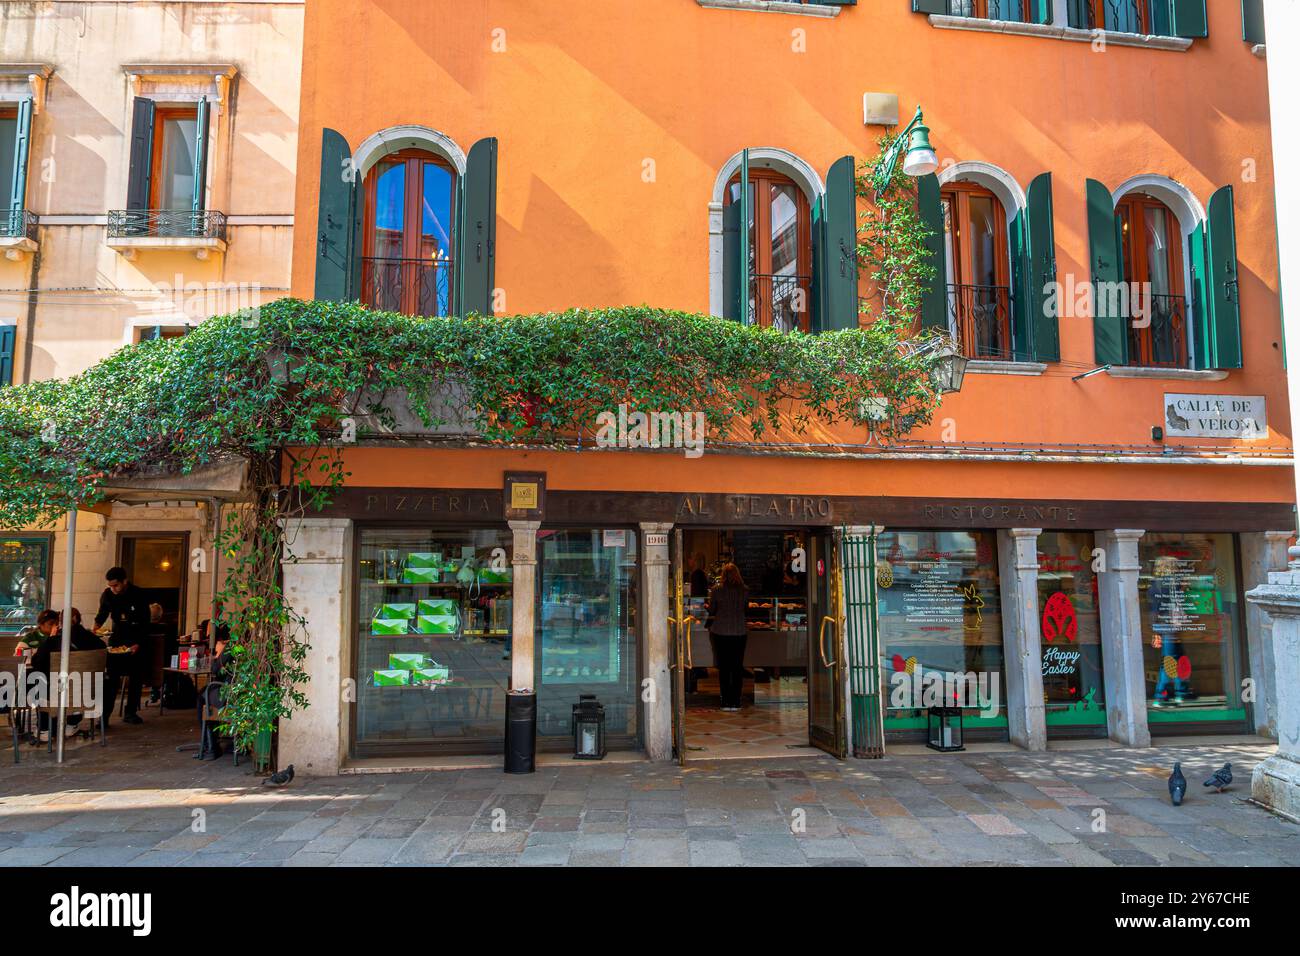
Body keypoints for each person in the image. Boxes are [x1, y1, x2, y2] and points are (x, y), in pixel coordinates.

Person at [26, 609, 105, 740]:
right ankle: (71, 724)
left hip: (54, 693)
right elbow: (104, 652)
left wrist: (50, 638)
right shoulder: (95, 640)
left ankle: (45, 728)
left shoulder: (54, 640)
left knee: (39, 678)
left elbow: (37, 662)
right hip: (85, 694)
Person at [94, 566, 151, 725]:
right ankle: (104, 716)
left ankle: (131, 712)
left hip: (135, 639)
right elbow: (102, 613)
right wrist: (95, 628)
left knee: (136, 678)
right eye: (110, 586)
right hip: (116, 640)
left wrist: (138, 643)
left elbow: (146, 622)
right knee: (111, 679)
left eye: (116, 585)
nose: (113, 589)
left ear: (124, 581)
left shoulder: (138, 594)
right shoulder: (107, 595)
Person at [707, 563, 749, 712]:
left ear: (723, 575)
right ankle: (736, 701)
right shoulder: (744, 591)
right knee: (737, 667)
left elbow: (712, 610)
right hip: (739, 632)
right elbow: (746, 609)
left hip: (721, 632)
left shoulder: (716, 590)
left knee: (724, 668)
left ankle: (725, 702)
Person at [196, 632, 235, 761]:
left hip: (229, 694)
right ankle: (210, 744)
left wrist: (219, 652)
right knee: (205, 691)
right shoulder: (253, 646)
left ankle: (210, 746)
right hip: (242, 694)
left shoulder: (233, 646)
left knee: (202, 696)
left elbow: (215, 668)